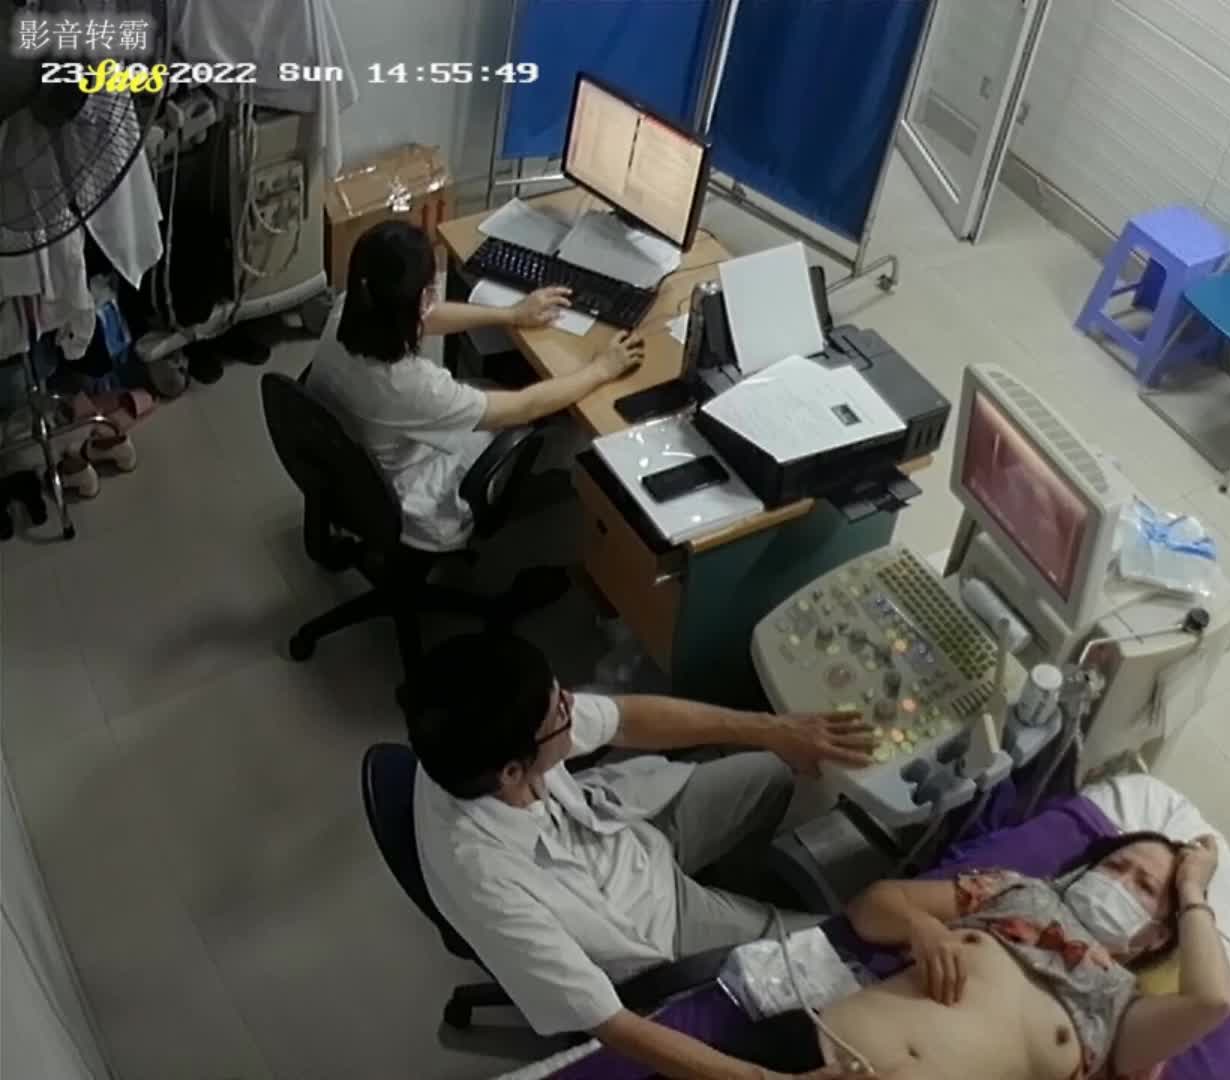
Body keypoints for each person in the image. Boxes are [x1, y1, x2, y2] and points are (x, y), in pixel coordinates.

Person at [406, 632, 875, 1080]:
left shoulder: (482, 737)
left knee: (771, 772)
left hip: (619, 823)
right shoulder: (488, 885)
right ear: (512, 772)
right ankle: (735, 931)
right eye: (561, 715)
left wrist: (774, 729)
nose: (573, 705)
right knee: (844, 954)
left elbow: (624, 718)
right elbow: (614, 1027)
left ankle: (735, 892)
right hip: (650, 920)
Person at [713, 831, 1230, 1080]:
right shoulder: (1019, 893)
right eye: (1116, 866)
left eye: (1145, 887)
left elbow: (1213, 1000)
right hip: (815, 1048)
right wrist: (921, 928)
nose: (1118, 883)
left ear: (1155, 937)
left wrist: (1193, 886)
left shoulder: (1125, 1011)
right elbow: (870, 909)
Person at [308, 220, 648, 552]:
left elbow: (428, 316)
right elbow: (525, 407)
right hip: (406, 500)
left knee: (490, 389)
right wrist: (601, 369)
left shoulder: (351, 308)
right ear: (422, 298)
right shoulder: (410, 385)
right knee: (557, 431)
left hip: (356, 460)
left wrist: (510, 315)